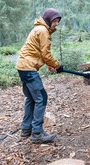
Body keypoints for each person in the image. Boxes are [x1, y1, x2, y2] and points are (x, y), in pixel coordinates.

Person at [16, 8, 64, 143]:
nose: (56, 24)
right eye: (55, 21)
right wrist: (58, 65)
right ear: (48, 19)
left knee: (31, 98)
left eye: (58, 21)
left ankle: (26, 129)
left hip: (23, 66)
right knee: (41, 97)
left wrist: (50, 65)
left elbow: (39, 52)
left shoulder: (39, 29)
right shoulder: (43, 31)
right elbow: (46, 54)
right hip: (28, 68)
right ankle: (37, 133)